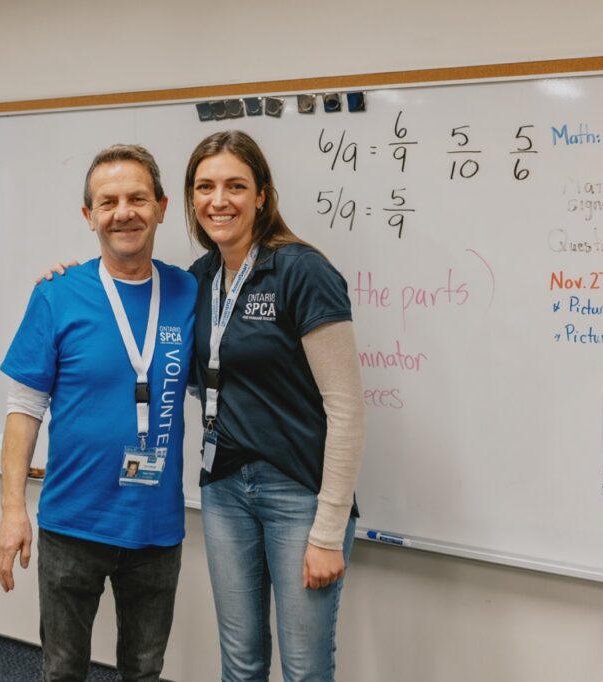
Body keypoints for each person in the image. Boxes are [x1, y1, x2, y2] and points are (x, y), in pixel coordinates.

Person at [0, 144, 197, 682]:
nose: (123, 212)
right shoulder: (57, 295)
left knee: (144, 669)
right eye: (107, 202)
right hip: (72, 524)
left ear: (160, 206)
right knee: (63, 670)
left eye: (136, 198)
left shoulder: (190, 291)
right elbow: (24, 408)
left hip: (156, 527)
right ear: (89, 217)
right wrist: (13, 510)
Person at [185, 130, 365, 682]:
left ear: (262, 195)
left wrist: (328, 530)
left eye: (236, 185)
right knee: (240, 663)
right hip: (223, 488)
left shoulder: (302, 271)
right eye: (206, 186)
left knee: (305, 669)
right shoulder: (199, 279)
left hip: (298, 494)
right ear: (192, 199)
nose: (220, 200)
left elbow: (347, 410)